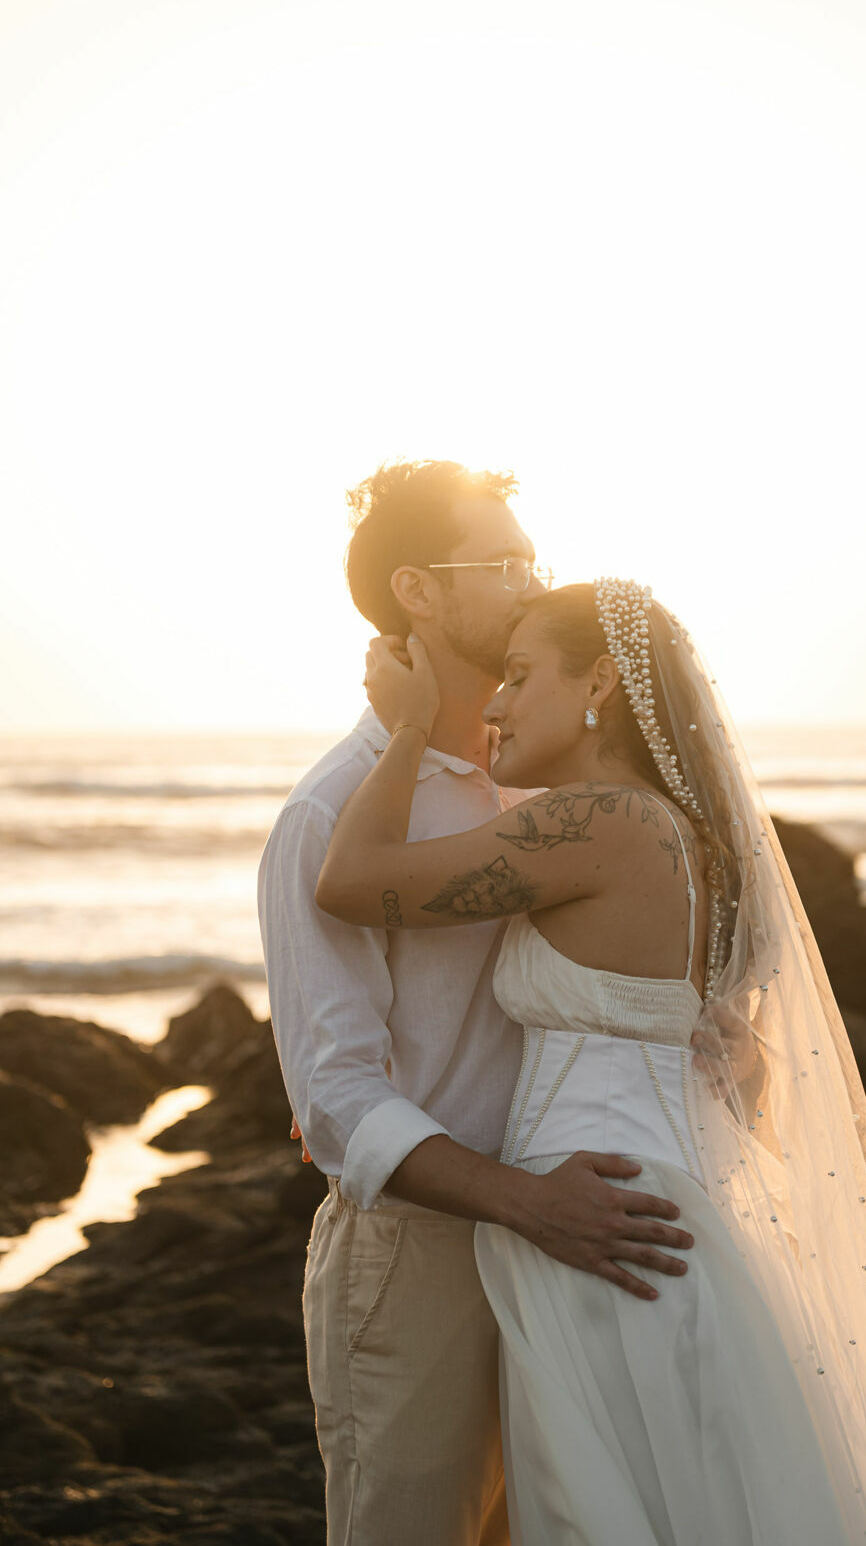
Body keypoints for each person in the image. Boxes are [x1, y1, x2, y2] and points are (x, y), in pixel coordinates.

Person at [315, 577, 866, 1545]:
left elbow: (349, 879)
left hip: (595, 1239)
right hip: (658, 1229)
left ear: (597, 681)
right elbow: (731, 1059)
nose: (497, 702)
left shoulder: (600, 823)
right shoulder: (699, 844)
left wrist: (409, 724)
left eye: (517, 675)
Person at [257, 465, 694, 1546]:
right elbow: (337, 1097)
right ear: (417, 591)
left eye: (529, 560)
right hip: (429, 1254)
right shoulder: (328, 816)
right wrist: (522, 1200)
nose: (527, 580)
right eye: (499, 564)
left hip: (571, 1239)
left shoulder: (551, 783)